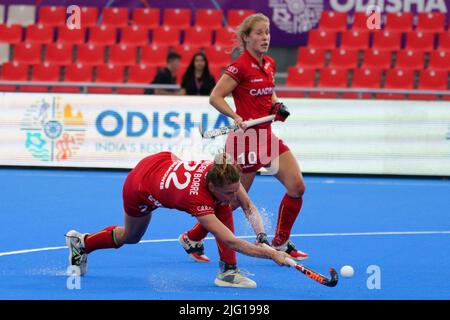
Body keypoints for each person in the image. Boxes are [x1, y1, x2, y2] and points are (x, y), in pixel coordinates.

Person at [180, 13, 308, 263]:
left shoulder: (269, 63)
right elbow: (215, 97)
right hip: (244, 143)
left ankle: (280, 243)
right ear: (246, 37)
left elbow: (269, 92)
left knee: (297, 187)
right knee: (233, 203)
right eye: (259, 33)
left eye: (267, 32)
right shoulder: (239, 66)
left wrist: (276, 106)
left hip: (267, 138)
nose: (265, 37)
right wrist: (236, 116)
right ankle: (192, 237)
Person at [65, 151, 292, 288]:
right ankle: (82, 243)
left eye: (236, 190)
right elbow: (231, 241)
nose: (235, 196)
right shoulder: (196, 199)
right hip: (139, 186)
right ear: (211, 187)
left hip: (161, 162)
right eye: (230, 192)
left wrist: (261, 236)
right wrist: (272, 254)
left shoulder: (221, 172)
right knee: (131, 236)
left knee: (223, 204)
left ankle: (228, 271)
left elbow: (248, 205)